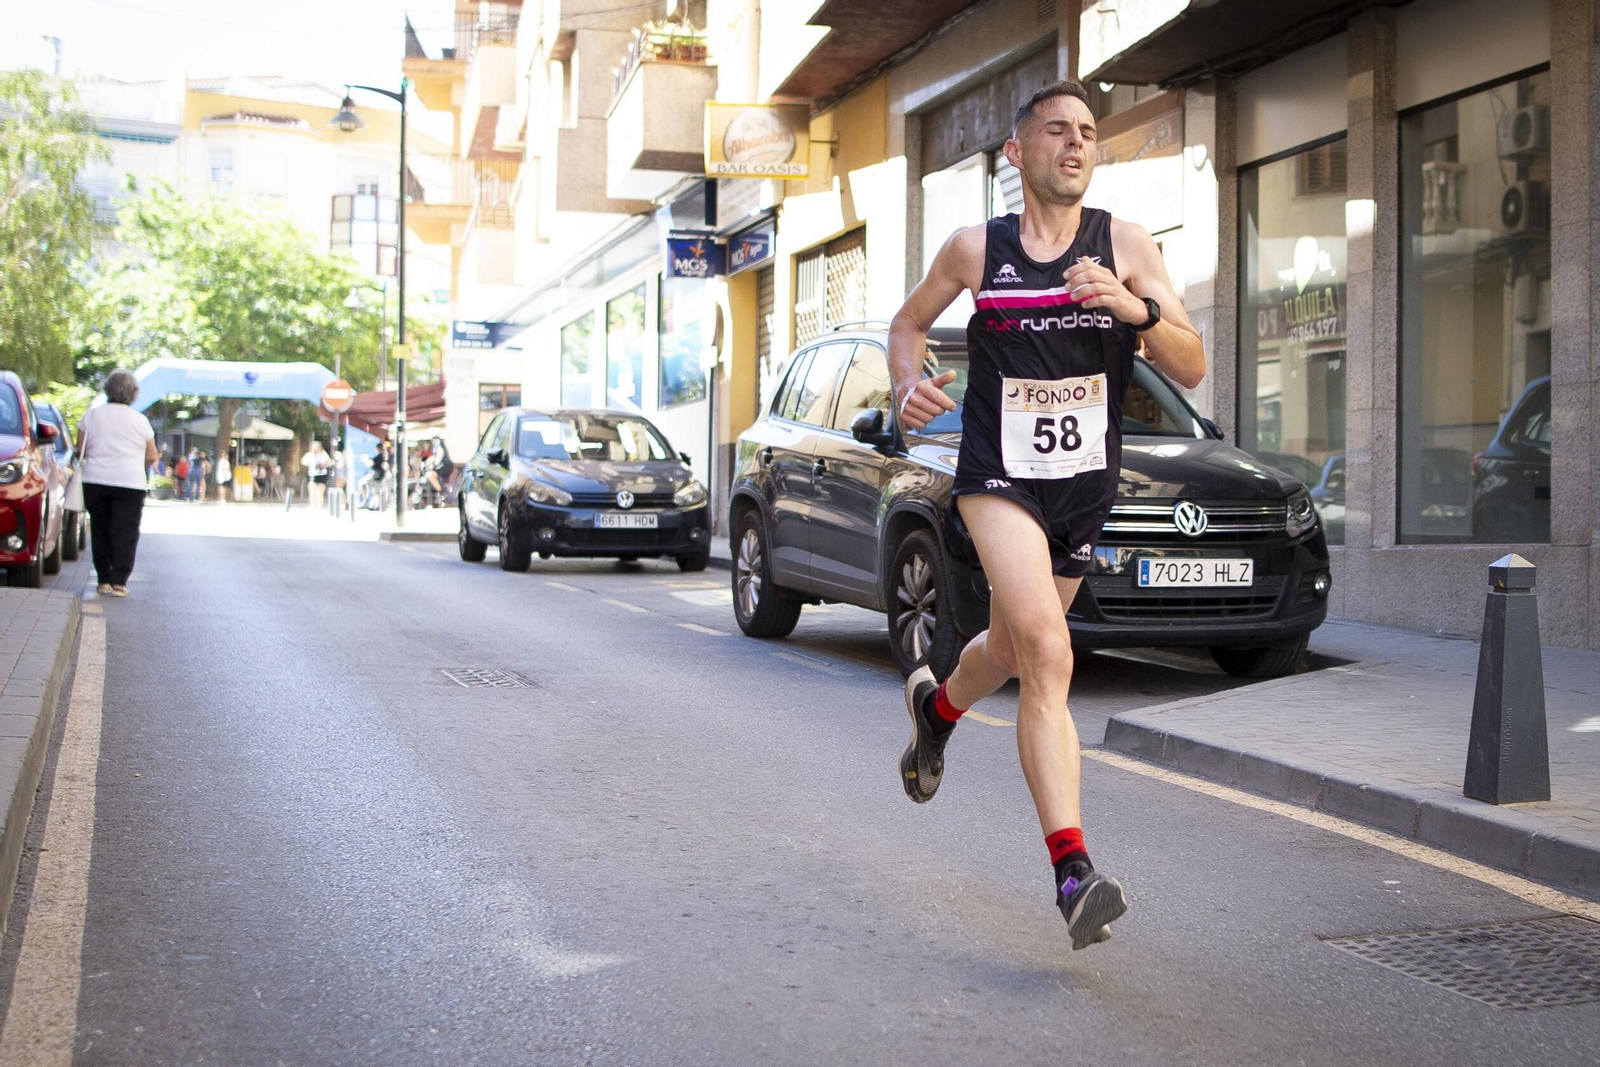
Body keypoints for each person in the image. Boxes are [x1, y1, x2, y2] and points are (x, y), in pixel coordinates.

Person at [889, 80, 1205, 951]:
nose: (1077, 144)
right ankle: (1073, 872)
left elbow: (1193, 363)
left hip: (1082, 486)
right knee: (1051, 651)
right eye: (1058, 131)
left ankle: (937, 713)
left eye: (1089, 133)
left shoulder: (1126, 246)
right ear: (1016, 154)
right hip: (999, 476)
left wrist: (1132, 309)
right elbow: (908, 323)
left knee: (1009, 645)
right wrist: (906, 383)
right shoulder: (973, 250)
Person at [77, 370, 160, 597]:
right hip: (130, 483)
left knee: (100, 528)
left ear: (107, 390)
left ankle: (103, 580)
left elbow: (80, 449)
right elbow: (152, 456)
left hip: (95, 480)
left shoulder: (91, 415)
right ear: (133, 394)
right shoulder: (140, 421)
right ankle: (119, 582)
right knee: (126, 532)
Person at [421, 438, 454, 507]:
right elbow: (433, 456)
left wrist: (434, 464)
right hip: (445, 465)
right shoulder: (436, 444)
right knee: (432, 475)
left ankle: (442, 492)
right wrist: (426, 463)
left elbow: (439, 455)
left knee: (430, 475)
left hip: (445, 465)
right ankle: (442, 489)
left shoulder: (438, 444)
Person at [302, 441, 331, 509]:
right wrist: (310, 463)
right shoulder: (310, 454)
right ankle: (312, 505)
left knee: (320, 492)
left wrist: (324, 464)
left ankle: (319, 506)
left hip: (322, 474)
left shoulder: (324, 454)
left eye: (318, 447)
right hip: (313, 474)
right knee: (312, 491)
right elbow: (303, 462)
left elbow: (329, 462)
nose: (317, 449)